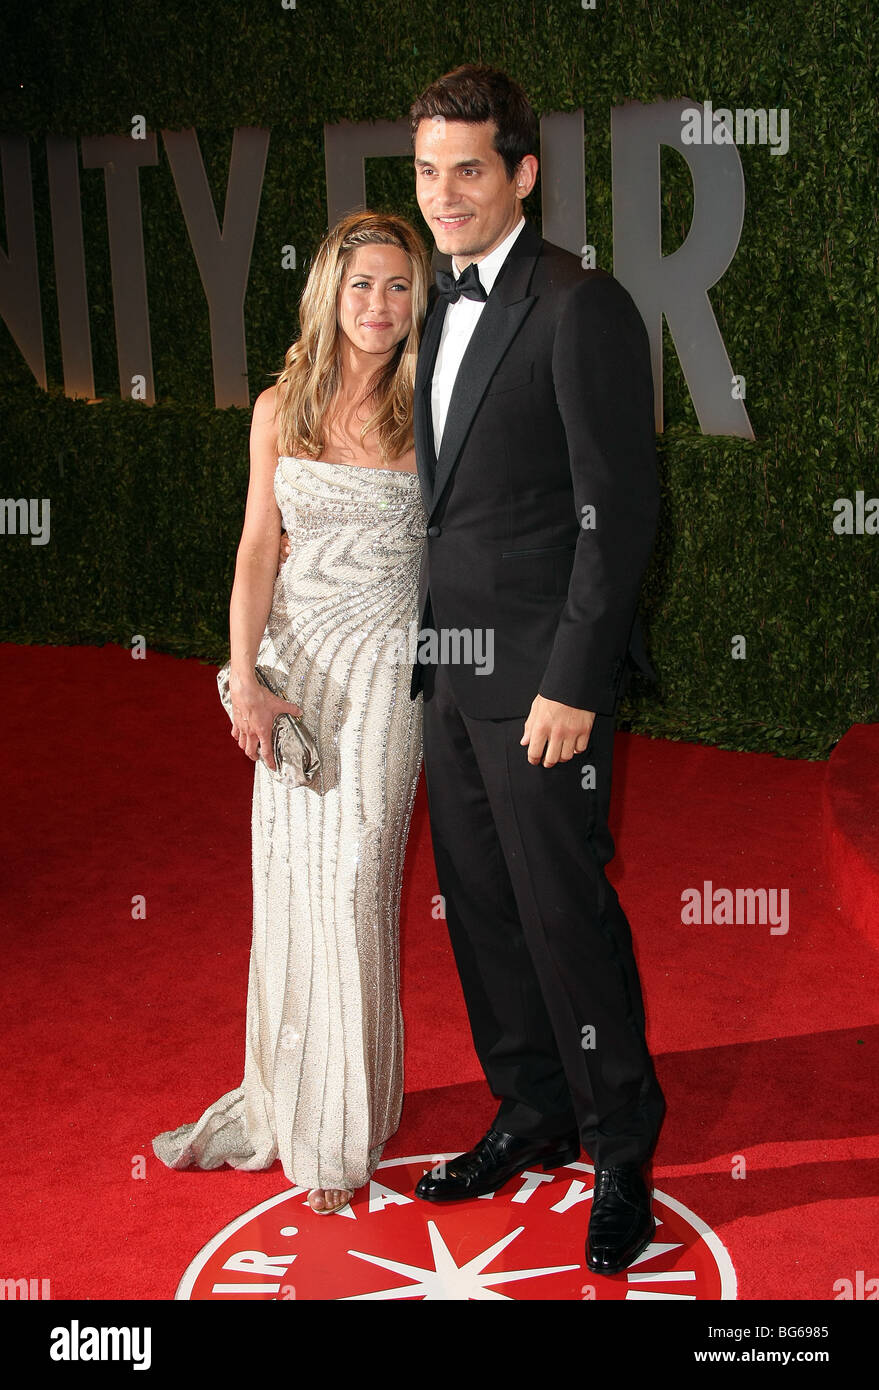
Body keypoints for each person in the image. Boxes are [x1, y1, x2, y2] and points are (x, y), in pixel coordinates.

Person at [406, 65, 667, 1274]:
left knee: (565, 908)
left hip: (542, 684)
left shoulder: (581, 304)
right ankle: (531, 1101)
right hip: (450, 677)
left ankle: (621, 1136)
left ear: (522, 172)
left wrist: (574, 680)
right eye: (426, 170)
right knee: (484, 910)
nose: (444, 192)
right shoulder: (431, 305)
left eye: (469, 168)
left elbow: (618, 512)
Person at [152, 211, 432, 1215]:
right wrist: (245, 679)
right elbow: (257, 551)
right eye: (362, 285)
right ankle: (303, 1095)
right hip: (295, 671)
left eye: (400, 286)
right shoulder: (280, 408)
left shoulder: (430, 408)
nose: (380, 306)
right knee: (295, 887)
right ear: (328, 291)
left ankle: (345, 1120)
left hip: (392, 673)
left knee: (360, 876)